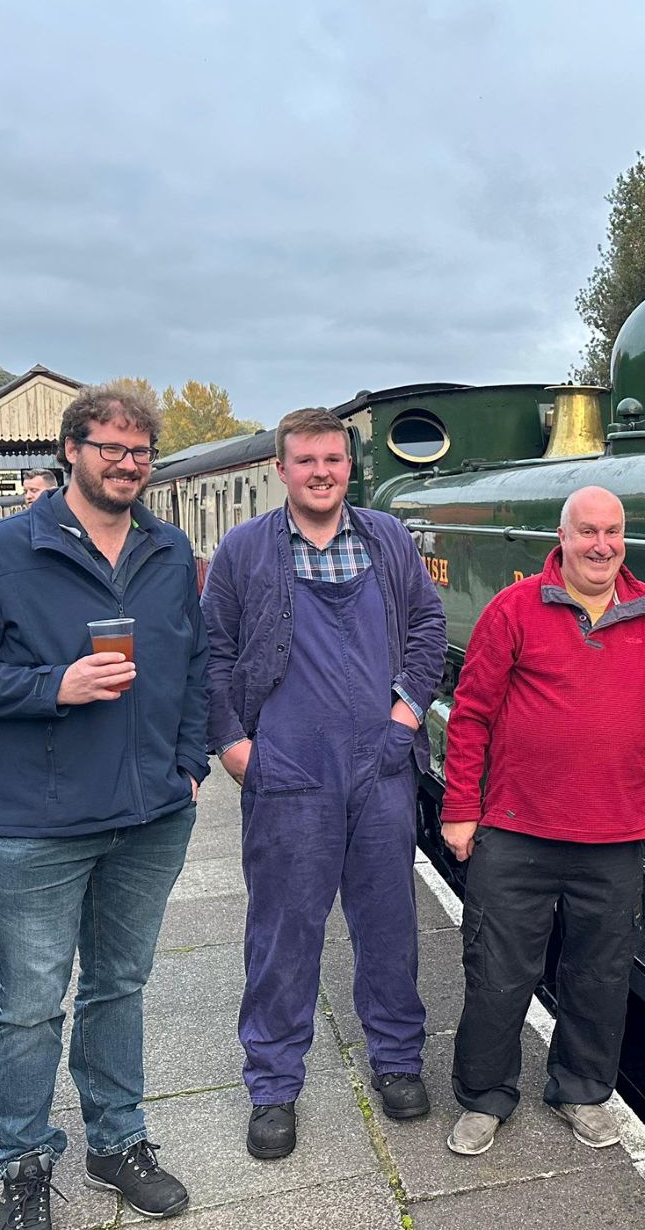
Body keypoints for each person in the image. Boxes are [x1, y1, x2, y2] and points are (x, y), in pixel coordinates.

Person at [0, 384, 209, 1229]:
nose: (127, 463)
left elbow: (193, 667)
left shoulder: (166, 547)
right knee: (31, 1002)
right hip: (41, 822)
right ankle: (23, 1161)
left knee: (119, 985)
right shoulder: (3, 550)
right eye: (110, 447)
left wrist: (188, 766)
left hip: (152, 816)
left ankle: (117, 1142)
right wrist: (56, 686)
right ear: (71, 450)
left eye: (139, 451)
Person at [439, 486, 645, 1157]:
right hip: (516, 831)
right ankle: (484, 1097)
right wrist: (461, 810)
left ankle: (582, 1091)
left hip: (614, 838)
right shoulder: (515, 609)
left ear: (625, 538)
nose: (601, 545)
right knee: (498, 975)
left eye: (612, 532)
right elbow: (470, 715)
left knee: (600, 976)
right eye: (587, 531)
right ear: (562, 537)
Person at [202, 407, 447, 1160]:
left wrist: (404, 721)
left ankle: (398, 1060)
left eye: (334, 460)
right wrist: (237, 749)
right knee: (283, 933)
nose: (321, 472)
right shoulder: (245, 550)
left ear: (350, 466)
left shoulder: (387, 539)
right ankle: (273, 1086)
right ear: (281, 469)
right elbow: (211, 655)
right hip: (289, 769)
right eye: (306, 460)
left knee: (388, 925)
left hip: (378, 766)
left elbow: (428, 628)